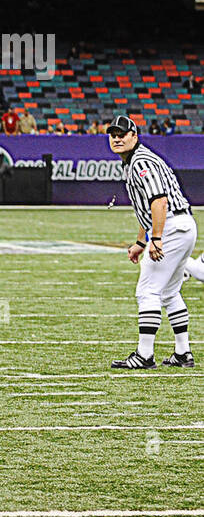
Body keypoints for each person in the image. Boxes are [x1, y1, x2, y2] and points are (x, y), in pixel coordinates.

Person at [107, 116, 196, 368]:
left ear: (135, 135)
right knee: (169, 291)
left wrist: (155, 239)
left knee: (147, 291)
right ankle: (183, 352)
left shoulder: (140, 162)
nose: (117, 138)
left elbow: (159, 201)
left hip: (170, 227)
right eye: (113, 134)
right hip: (183, 225)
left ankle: (144, 355)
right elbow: (146, 208)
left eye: (122, 133)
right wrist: (140, 241)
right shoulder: (136, 160)